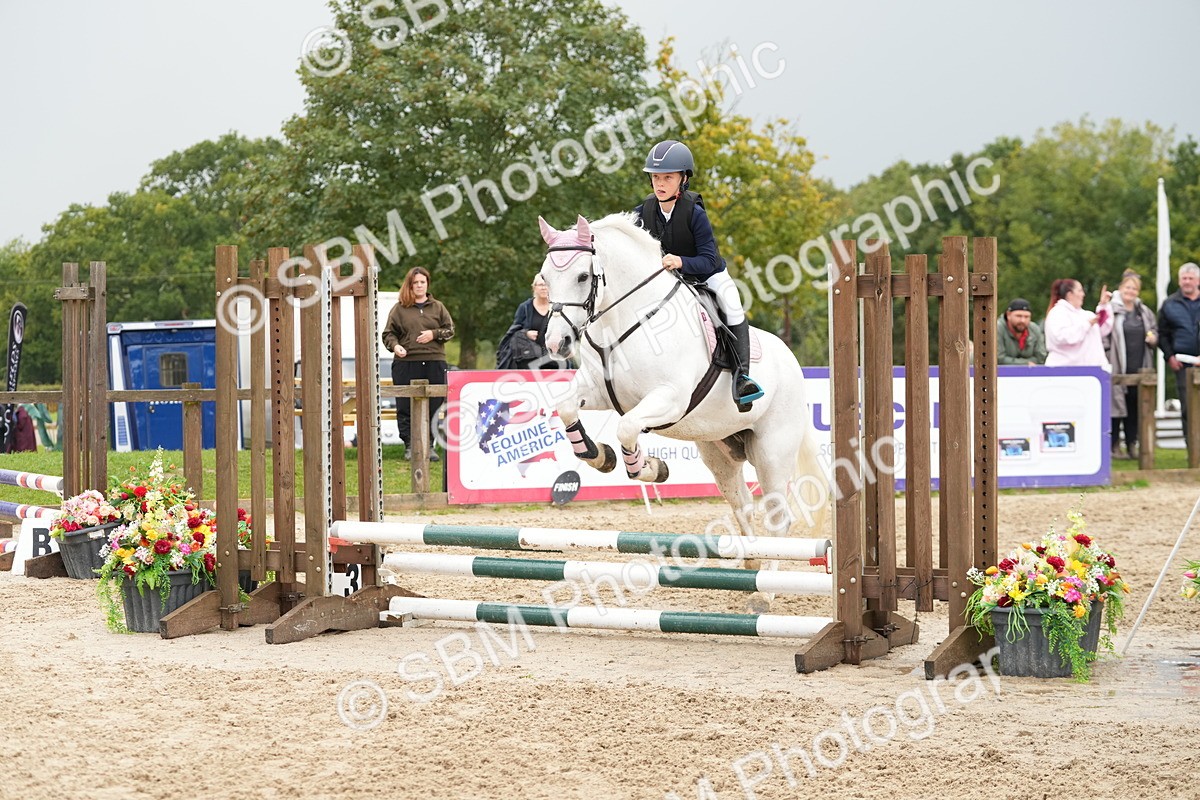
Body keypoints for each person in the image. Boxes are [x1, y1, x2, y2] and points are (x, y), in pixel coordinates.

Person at [633, 139, 763, 411]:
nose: (660, 183)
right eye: (655, 177)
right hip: (668, 280)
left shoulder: (695, 212)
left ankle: (742, 379)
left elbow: (708, 259)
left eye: (667, 177)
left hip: (706, 274)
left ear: (683, 179)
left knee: (732, 304)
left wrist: (680, 261)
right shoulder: (644, 211)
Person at [382, 266, 454, 461]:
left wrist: (434, 334)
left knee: (434, 405)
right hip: (406, 362)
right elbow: (388, 334)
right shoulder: (399, 308)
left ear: (427, 284)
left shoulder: (438, 307)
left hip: (434, 361)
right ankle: (409, 446)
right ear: (410, 285)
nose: (420, 285)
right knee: (405, 405)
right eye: (416, 283)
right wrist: (395, 346)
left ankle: (429, 445)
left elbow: (450, 330)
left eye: (423, 282)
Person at [1104, 271, 1158, 459]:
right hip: (1117, 366)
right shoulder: (1111, 309)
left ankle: (1132, 444)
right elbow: (1102, 334)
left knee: (1135, 408)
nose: (1131, 291)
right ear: (1120, 288)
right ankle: (1113, 446)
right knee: (1116, 408)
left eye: (1134, 288)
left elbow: (1154, 331)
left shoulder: (1144, 311)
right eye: (1128, 287)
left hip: (1139, 366)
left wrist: (1153, 338)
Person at [1158, 262, 1200, 451]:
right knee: (1188, 407)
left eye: (1191, 278)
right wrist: (1169, 357)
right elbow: (1162, 334)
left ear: (1197, 280)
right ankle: (1192, 447)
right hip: (1183, 363)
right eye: (1184, 278)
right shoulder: (1169, 304)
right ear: (1179, 280)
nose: (1187, 282)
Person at [1044, 278, 1113, 369]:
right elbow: (1061, 337)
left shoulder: (1086, 315)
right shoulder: (1057, 313)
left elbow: (1103, 329)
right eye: (1080, 290)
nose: (1083, 294)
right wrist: (1086, 325)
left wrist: (1103, 305)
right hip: (1065, 371)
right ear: (1070, 294)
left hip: (1093, 372)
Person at [496, 275, 560, 371]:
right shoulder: (525, 308)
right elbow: (513, 332)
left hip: (553, 358)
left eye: (546, 285)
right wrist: (525, 333)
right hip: (528, 360)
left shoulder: (557, 308)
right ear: (534, 287)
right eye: (540, 285)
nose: (543, 288)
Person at [997, 298, 1048, 365]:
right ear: (1008, 315)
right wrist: (1026, 363)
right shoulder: (997, 328)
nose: (1023, 320)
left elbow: (1041, 357)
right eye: (1018, 316)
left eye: (1026, 317)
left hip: (1030, 373)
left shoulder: (1034, 329)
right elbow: (998, 358)